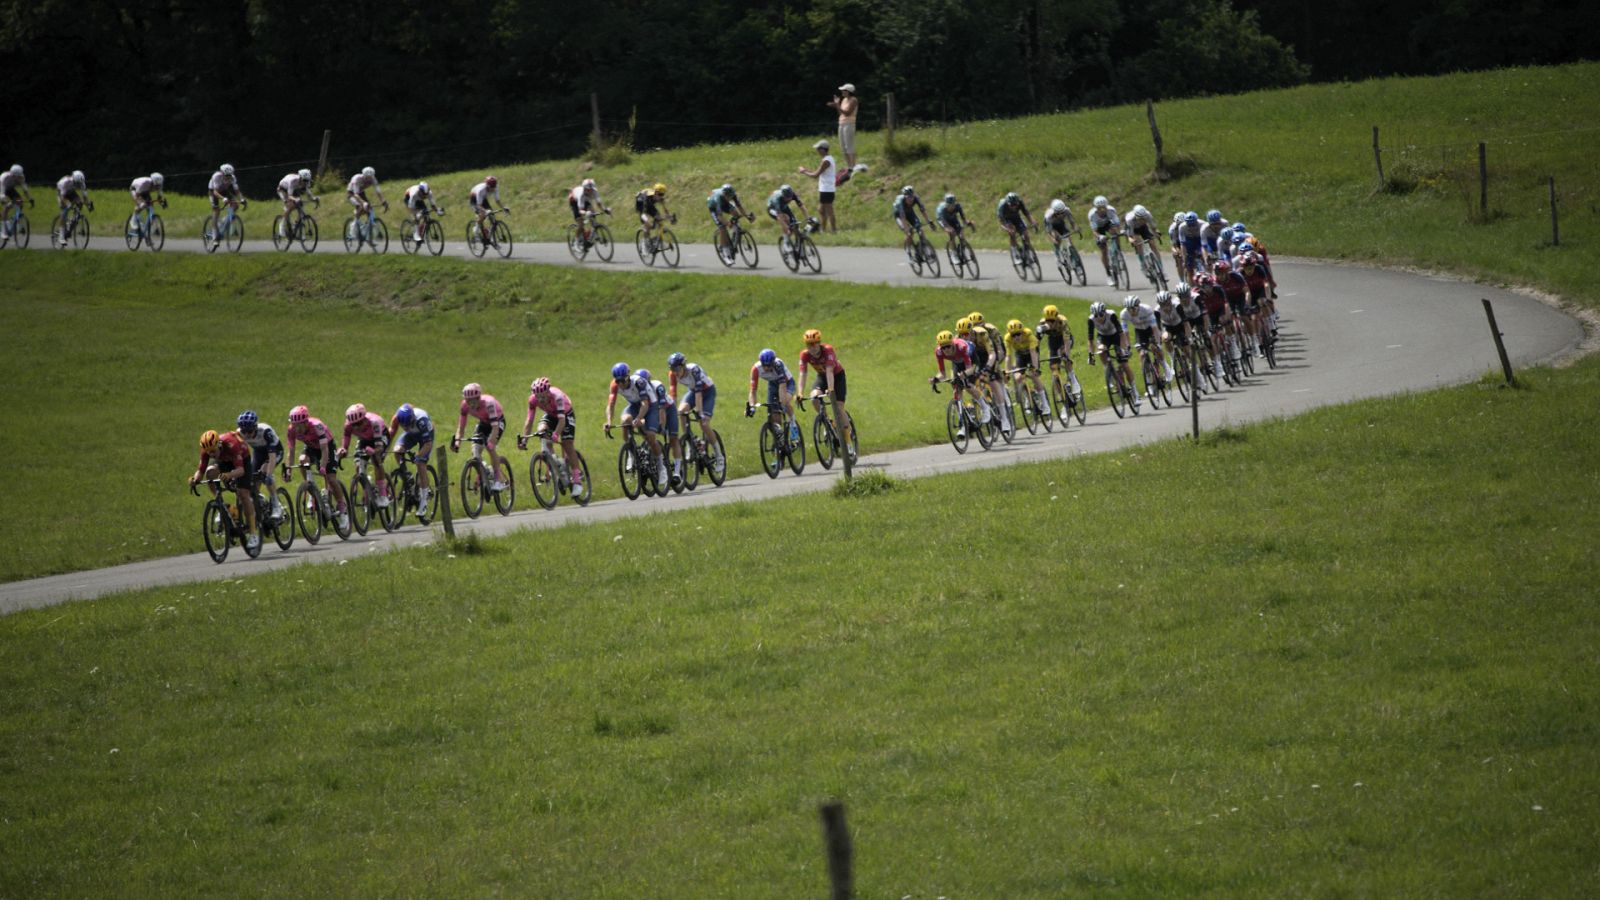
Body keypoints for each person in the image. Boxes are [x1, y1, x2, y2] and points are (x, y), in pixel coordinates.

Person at [190, 428, 260, 551]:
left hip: (242, 460)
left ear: (219, 444)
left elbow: (241, 470)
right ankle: (221, 504)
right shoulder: (207, 450)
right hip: (225, 461)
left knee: (243, 494)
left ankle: (253, 533)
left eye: (213, 451)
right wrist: (194, 480)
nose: (211, 454)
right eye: (208, 452)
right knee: (210, 472)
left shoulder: (231, 444)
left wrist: (229, 475)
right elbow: (200, 470)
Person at [283, 405, 349, 531]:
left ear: (306, 422)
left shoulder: (317, 426)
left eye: (299, 425)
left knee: (330, 478)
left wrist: (323, 466)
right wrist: (288, 470)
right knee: (302, 460)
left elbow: (324, 449)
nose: (297, 428)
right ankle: (311, 491)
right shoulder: (291, 430)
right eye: (294, 425)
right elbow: (290, 452)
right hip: (311, 448)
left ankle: (342, 510)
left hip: (326, 448)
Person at [604, 363, 670, 486]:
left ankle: (662, 467)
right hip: (634, 405)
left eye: (623, 380)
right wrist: (608, 422)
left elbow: (645, 404)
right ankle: (630, 452)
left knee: (650, 436)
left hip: (650, 405)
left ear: (628, 376)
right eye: (618, 381)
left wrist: (639, 418)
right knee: (625, 421)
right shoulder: (615, 385)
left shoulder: (639, 382)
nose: (621, 384)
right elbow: (611, 405)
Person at [518, 378, 585, 498]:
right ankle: (556, 463)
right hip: (551, 415)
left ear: (548, 392)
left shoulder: (557, 396)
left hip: (565, 415)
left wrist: (556, 434)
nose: (541, 400)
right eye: (538, 396)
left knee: (567, 443)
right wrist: (524, 440)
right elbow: (529, 420)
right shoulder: (533, 400)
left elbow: (562, 420)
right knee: (541, 432)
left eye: (543, 396)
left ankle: (577, 478)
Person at [797, 329, 855, 460]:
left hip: (837, 376)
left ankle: (848, 441)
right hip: (822, 376)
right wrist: (800, 392)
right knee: (814, 397)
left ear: (819, 343)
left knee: (839, 408)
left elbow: (830, 371)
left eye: (814, 344)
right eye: (808, 345)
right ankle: (828, 421)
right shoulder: (804, 355)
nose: (811, 348)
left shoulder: (828, 350)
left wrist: (830, 389)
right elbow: (803, 374)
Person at [931, 330, 993, 433]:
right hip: (957, 363)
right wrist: (935, 379)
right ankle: (962, 424)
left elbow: (969, 369)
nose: (946, 349)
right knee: (956, 389)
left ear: (953, 344)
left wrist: (964, 375)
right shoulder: (938, 352)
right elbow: (942, 374)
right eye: (943, 347)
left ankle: (985, 407)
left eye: (948, 346)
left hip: (971, 360)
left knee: (968, 385)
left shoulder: (962, 347)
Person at [667, 352, 721, 468]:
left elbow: (699, 395)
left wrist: (701, 413)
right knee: (681, 411)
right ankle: (689, 442)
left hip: (707, 392)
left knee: (704, 424)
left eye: (676, 369)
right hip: (693, 391)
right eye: (672, 369)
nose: (675, 372)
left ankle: (719, 455)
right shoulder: (673, 374)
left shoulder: (694, 370)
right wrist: (672, 412)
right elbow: (673, 394)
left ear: (683, 366)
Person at [452, 383, 509, 491]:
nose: (471, 404)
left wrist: (491, 442)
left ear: (479, 398)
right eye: (468, 401)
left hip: (497, 422)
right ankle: (485, 471)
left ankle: (498, 480)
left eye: (473, 401)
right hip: (483, 423)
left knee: (490, 447)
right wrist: (457, 442)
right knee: (475, 450)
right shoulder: (464, 406)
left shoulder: (489, 403)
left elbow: (495, 428)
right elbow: (461, 427)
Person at [965, 311, 1013, 436]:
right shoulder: (966, 335)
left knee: (992, 380)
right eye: (973, 326)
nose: (976, 328)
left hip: (991, 353)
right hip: (977, 356)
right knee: (974, 381)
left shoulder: (989, 332)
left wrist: (991, 366)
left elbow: (998, 351)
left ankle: (1004, 418)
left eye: (979, 325)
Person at [1087, 301, 1139, 410]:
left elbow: (1121, 333)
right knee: (1101, 350)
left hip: (1116, 336)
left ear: (1104, 313)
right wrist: (1091, 356)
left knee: (1124, 364)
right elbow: (1090, 340)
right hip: (1103, 337)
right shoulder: (1091, 320)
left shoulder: (1111, 315)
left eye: (1101, 315)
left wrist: (1125, 349)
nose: (1099, 318)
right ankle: (1108, 371)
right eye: (1096, 315)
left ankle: (1134, 390)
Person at [234, 410, 285, 521]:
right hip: (258, 453)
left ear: (256, 427)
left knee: (265, 472)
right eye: (244, 431)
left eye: (249, 431)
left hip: (275, 452)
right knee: (253, 482)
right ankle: (260, 503)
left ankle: (277, 506)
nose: (247, 435)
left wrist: (269, 475)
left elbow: (272, 457)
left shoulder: (266, 431)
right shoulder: (239, 433)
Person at [339, 403, 392, 507]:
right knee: (358, 465)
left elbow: (379, 448)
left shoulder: (374, 423)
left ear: (364, 419)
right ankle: (367, 488)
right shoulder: (348, 425)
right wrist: (343, 449)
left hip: (380, 437)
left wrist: (374, 451)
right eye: (354, 425)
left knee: (376, 459)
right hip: (364, 439)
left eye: (359, 423)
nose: (356, 427)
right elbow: (346, 436)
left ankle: (383, 495)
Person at [389, 403, 435, 516]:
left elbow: (428, 444)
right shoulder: (397, 418)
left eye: (408, 425)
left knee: (420, 463)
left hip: (425, 437)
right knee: (397, 450)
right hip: (411, 435)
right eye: (403, 426)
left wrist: (419, 456)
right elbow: (391, 435)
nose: (406, 428)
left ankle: (424, 500)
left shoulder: (422, 421)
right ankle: (407, 476)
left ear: (412, 418)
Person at [1122, 294, 1174, 387]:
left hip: (1151, 329)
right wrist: (1127, 346)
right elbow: (1125, 333)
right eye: (1129, 309)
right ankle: (1149, 382)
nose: (1131, 311)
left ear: (1138, 306)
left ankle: (1166, 368)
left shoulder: (1146, 309)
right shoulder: (1124, 314)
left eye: (1133, 309)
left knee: (1155, 347)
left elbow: (1155, 328)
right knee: (1142, 355)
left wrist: (1158, 343)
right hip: (1140, 332)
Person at [746, 349, 798, 442]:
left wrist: (782, 403)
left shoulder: (778, 365)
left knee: (785, 403)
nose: (766, 368)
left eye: (769, 365)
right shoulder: (755, 369)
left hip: (787, 383)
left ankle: (793, 425)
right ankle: (780, 438)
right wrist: (752, 406)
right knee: (773, 412)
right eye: (764, 365)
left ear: (773, 362)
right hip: (773, 384)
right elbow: (753, 391)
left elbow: (782, 386)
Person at [1036, 304, 1084, 401]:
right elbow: (1036, 344)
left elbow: (1066, 341)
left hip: (1064, 339)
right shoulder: (1042, 325)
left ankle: (1074, 381)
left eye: (1052, 321)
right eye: (1047, 320)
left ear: (1056, 318)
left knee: (1064, 355)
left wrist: (1067, 355)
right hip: (1053, 340)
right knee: (1053, 367)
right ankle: (1062, 399)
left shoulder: (1062, 321)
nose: (1049, 323)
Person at [1004, 319, 1050, 417]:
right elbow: (1008, 356)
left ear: (1022, 332)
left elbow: (1033, 352)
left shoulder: (1028, 334)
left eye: (1018, 334)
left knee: (1034, 376)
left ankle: (1045, 404)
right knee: (1017, 377)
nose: (1016, 337)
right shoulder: (1007, 338)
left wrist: (1035, 368)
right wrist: (1007, 372)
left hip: (1031, 353)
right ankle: (1027, 396)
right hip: (1020, 354)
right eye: (1013, 335)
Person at [797, 141, 838, 233]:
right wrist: (806, 170)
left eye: (818, 149)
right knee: (821, 210)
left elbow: (815, 175)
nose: (817, 151)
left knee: (829, 211)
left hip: (827, 189)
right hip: (826, 189)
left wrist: (804, 172)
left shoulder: (826, 161)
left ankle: (833, 231)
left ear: (823, 150)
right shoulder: (828, 159)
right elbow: (818, 172)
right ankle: (823, 229)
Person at [707, 183, 752, 260]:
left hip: (724, 203)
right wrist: (727, 223)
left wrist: (747, 216)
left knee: (736, 214)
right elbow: (720, 216)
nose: (731, 197)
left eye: (732, 196)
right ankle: (722, 247)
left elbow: (739, 207)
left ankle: (735, 234)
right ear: (725, 194)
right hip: (713, 206)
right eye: (729, 196)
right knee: (722, 227)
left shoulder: (733, 195)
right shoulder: (718, 199)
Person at [206, 163, 245, 247]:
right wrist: (223, 199)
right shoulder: (217, 176)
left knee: (235, 205)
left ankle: (224, 221)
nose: (228, 177)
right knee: (216, 211)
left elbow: (237, 191)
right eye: (226, 175)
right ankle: (215, 238)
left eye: (230, 175)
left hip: (224, 190)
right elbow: (215, 192)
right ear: (222, 173)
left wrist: (242, 199)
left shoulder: (233, 178)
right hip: (213, 192)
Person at [1086, 195, 1122, 286]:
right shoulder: (1092, 215)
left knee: (1115, 233)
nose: (1102, 210)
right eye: (1100, 208)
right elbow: (1094, 231)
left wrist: (1119, 232)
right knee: (1104, 250)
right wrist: (1100, 236)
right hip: (1098, 229)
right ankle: (1108, 274)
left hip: (1107, 224)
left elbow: (1117, 224)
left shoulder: (1111, 210)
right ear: (1096, 208)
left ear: (1106, 206)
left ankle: (1118, 251)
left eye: (1104, 207)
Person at [275, 168, 318, 241]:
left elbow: (308, 193)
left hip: (293, 189)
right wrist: (295, 200)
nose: (305, 182)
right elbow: (289, 196)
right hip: (283, 190)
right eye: (304, 180)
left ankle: (295, 226)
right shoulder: (293, 181)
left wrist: (314, 199)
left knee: (300, 205)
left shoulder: (306, 181)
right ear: (300, 178)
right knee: (290, 205)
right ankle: (282, 225)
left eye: (307, 181)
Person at [53, 170, 92, 246]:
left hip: (70, 192)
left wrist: (88, 205)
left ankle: (72, 222)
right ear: (74, 180)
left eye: (79, 184)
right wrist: (67, 205)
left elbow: (85, 197)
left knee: (79, 203)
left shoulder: (81, 183)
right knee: (65, 210)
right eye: (77, 184)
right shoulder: (67, 182)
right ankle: (61, 236)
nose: (78, 186)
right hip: (62, 192)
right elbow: (62, 197)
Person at [568, 177, 609, 247]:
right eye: (588, 190)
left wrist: (605, 210)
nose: (590, 191)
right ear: (584, 189)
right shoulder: (581, 194)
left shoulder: (595, 191)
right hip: (574, 201)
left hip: (586, 200)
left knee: (592, 215)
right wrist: (586, 213)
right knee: (580, 223)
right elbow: (580, 211)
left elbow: (599, 203)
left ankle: (592, 234)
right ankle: (576, 241)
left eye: (591, 189)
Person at [826, 83, 859, 168]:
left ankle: (853, 167)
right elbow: (841, 113)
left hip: (849, 124)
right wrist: (836, 105)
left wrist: (837, 105)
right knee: (843, 147)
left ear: (849, 91)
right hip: (841, 124)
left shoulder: (853, 100)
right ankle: (849, 167)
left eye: (844, 90)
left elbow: (848, 113)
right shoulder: (844, 100)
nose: (842, 92)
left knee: (849, 146)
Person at [892, 185, 931, 254]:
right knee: (910, 233)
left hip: (910, 212)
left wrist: (929, 221)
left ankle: (925, 247)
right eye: (908, 197)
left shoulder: (916, 198)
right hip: (899, 215)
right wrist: (906, 229)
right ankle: (908, 247)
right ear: (904, 196)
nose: (911, 199)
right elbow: (902, 217)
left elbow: (923, 210)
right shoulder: (900, 202)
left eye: (912, 196)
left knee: (920, 229)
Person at [127, 172, 166, 241]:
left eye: (159, 185)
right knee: (142, 205)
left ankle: (148, 229)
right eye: (156, 186)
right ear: (152, 182)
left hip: (145, 191)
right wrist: (140, 203)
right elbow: (137, 196)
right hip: (135, 189)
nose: (158, 187)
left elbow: (159, 197)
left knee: (150, 207)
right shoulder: (144, 183)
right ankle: (133, 222)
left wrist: (162, 202)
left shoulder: (159, 184)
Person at [468, 175, 506, 245]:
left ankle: (488, 233)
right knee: (483, 214)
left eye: (494, 187)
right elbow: (479, 205)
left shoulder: (496, 187)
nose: (493, 190)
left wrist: (503, 208)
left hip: (483, 198)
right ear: (487, 186)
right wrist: (484, 211)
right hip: (474, 198)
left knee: (491, 213)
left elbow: (497, 200)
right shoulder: (481, 190)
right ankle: (476, 231)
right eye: (491, 188)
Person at [402, 181, 442, 246]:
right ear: (420, 191)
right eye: (423, 194)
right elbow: (411, 209)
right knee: (416, 218)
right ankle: (415, 235)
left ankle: (420, 232)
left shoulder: (429, 193)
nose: (424, 196)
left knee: (425, 213)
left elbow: (433, 205)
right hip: (408, 198)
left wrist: (438, 211)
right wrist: (417, 215)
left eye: (426, 195)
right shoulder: (414, 194)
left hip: (418, 200)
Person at [634, 182, 673, 248]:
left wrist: (669, 217)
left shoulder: (659, 197)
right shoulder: (646, 198)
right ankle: (646, 243)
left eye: (663, 194)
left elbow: (665, 209)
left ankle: (659, 239)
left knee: (658, 217)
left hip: (650, 205)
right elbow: (643, 214)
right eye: (660, 194)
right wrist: (647, 222)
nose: (661, 196)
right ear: (655, 193)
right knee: (648, 224)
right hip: (641, 204)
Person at [2, 164, 33, 236]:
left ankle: (14, 219)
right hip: (2, 189)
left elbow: (25, 190)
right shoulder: (5, 178)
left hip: (10, 189)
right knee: (6, 206)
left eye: (20, 176)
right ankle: (4, 231)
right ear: (13, 175)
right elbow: (2, 194)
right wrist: (5, 200)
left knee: (20, 202)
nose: (20, 178)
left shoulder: (21, 177)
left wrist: (31, 199)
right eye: (18, 177)